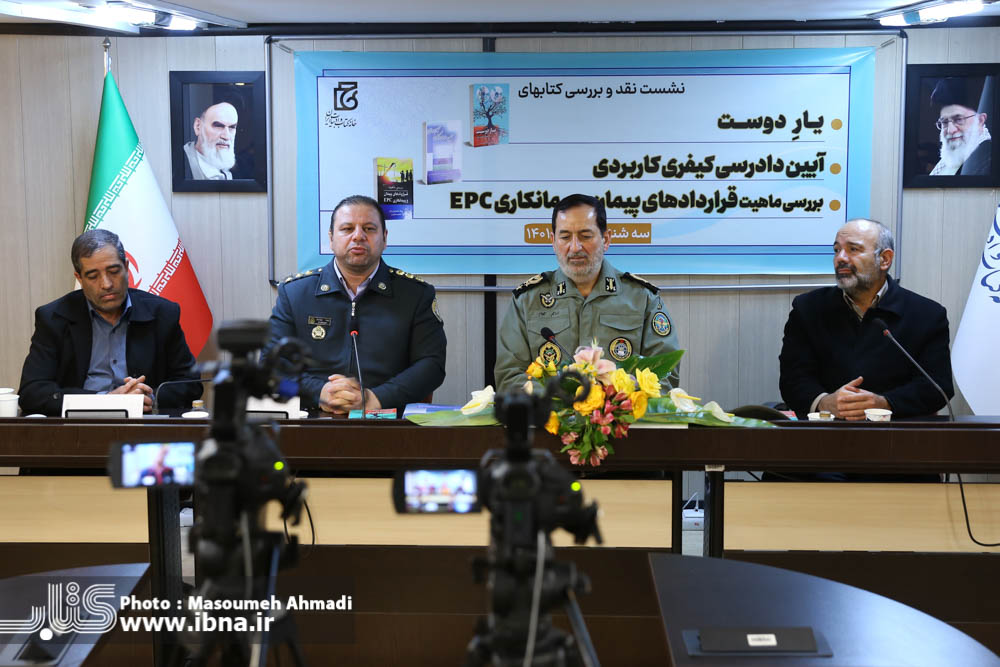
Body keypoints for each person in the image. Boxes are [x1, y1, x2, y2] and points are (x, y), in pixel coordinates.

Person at [268, 195, 446, 414]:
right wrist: (318, 392)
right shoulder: (295, 293)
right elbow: (270, 367)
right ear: (331, 238)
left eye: (369, 229)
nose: (358, 236)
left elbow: (432, 366)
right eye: (347, 229)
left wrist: (375, 398)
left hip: (388, 419)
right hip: (311, 419)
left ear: (384, 238)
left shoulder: (415, 295)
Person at [495, 193, 680, 394]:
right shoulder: (527, 300)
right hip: (549, 414)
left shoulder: (643, 298)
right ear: (553, 241)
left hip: (620, 413)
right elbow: (509, 376)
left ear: (606, 239)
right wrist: (564, 399)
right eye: (565, 237)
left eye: (585, 236)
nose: (575, 247)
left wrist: (613, 402)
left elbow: (665, 375)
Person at [779, 218, 954, 421]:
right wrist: (824, 402)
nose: (840, 258)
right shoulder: (808, 308)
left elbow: (937, 387)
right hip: (827, 430)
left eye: (853, 249)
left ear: (885, 259)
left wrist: (884, 403)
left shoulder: (927, 315)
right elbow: (793, 379)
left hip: (897, 432)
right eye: (836, 250)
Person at [18, 229, 201, 416]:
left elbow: (190, 383)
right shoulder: (54, 318)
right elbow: (32, 392)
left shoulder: (162, 314)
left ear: (126, 267)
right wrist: (105, 400)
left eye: (114, 271)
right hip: (79, 425)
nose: (106, 284)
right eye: (93, 276)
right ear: (79, 278)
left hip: (143, 423)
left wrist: (149, 397)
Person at [929, 77, 991, 176]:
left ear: (980, 120)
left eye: (958, 120)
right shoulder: (950, 159)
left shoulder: (988, 160)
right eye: (945, 122)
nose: (950, 130)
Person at [183, 101, 238, 180]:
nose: (226, 136)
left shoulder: (233, 171)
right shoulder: (179, 164)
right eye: (218, 126)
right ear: (198, 126)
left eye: (232, 127)